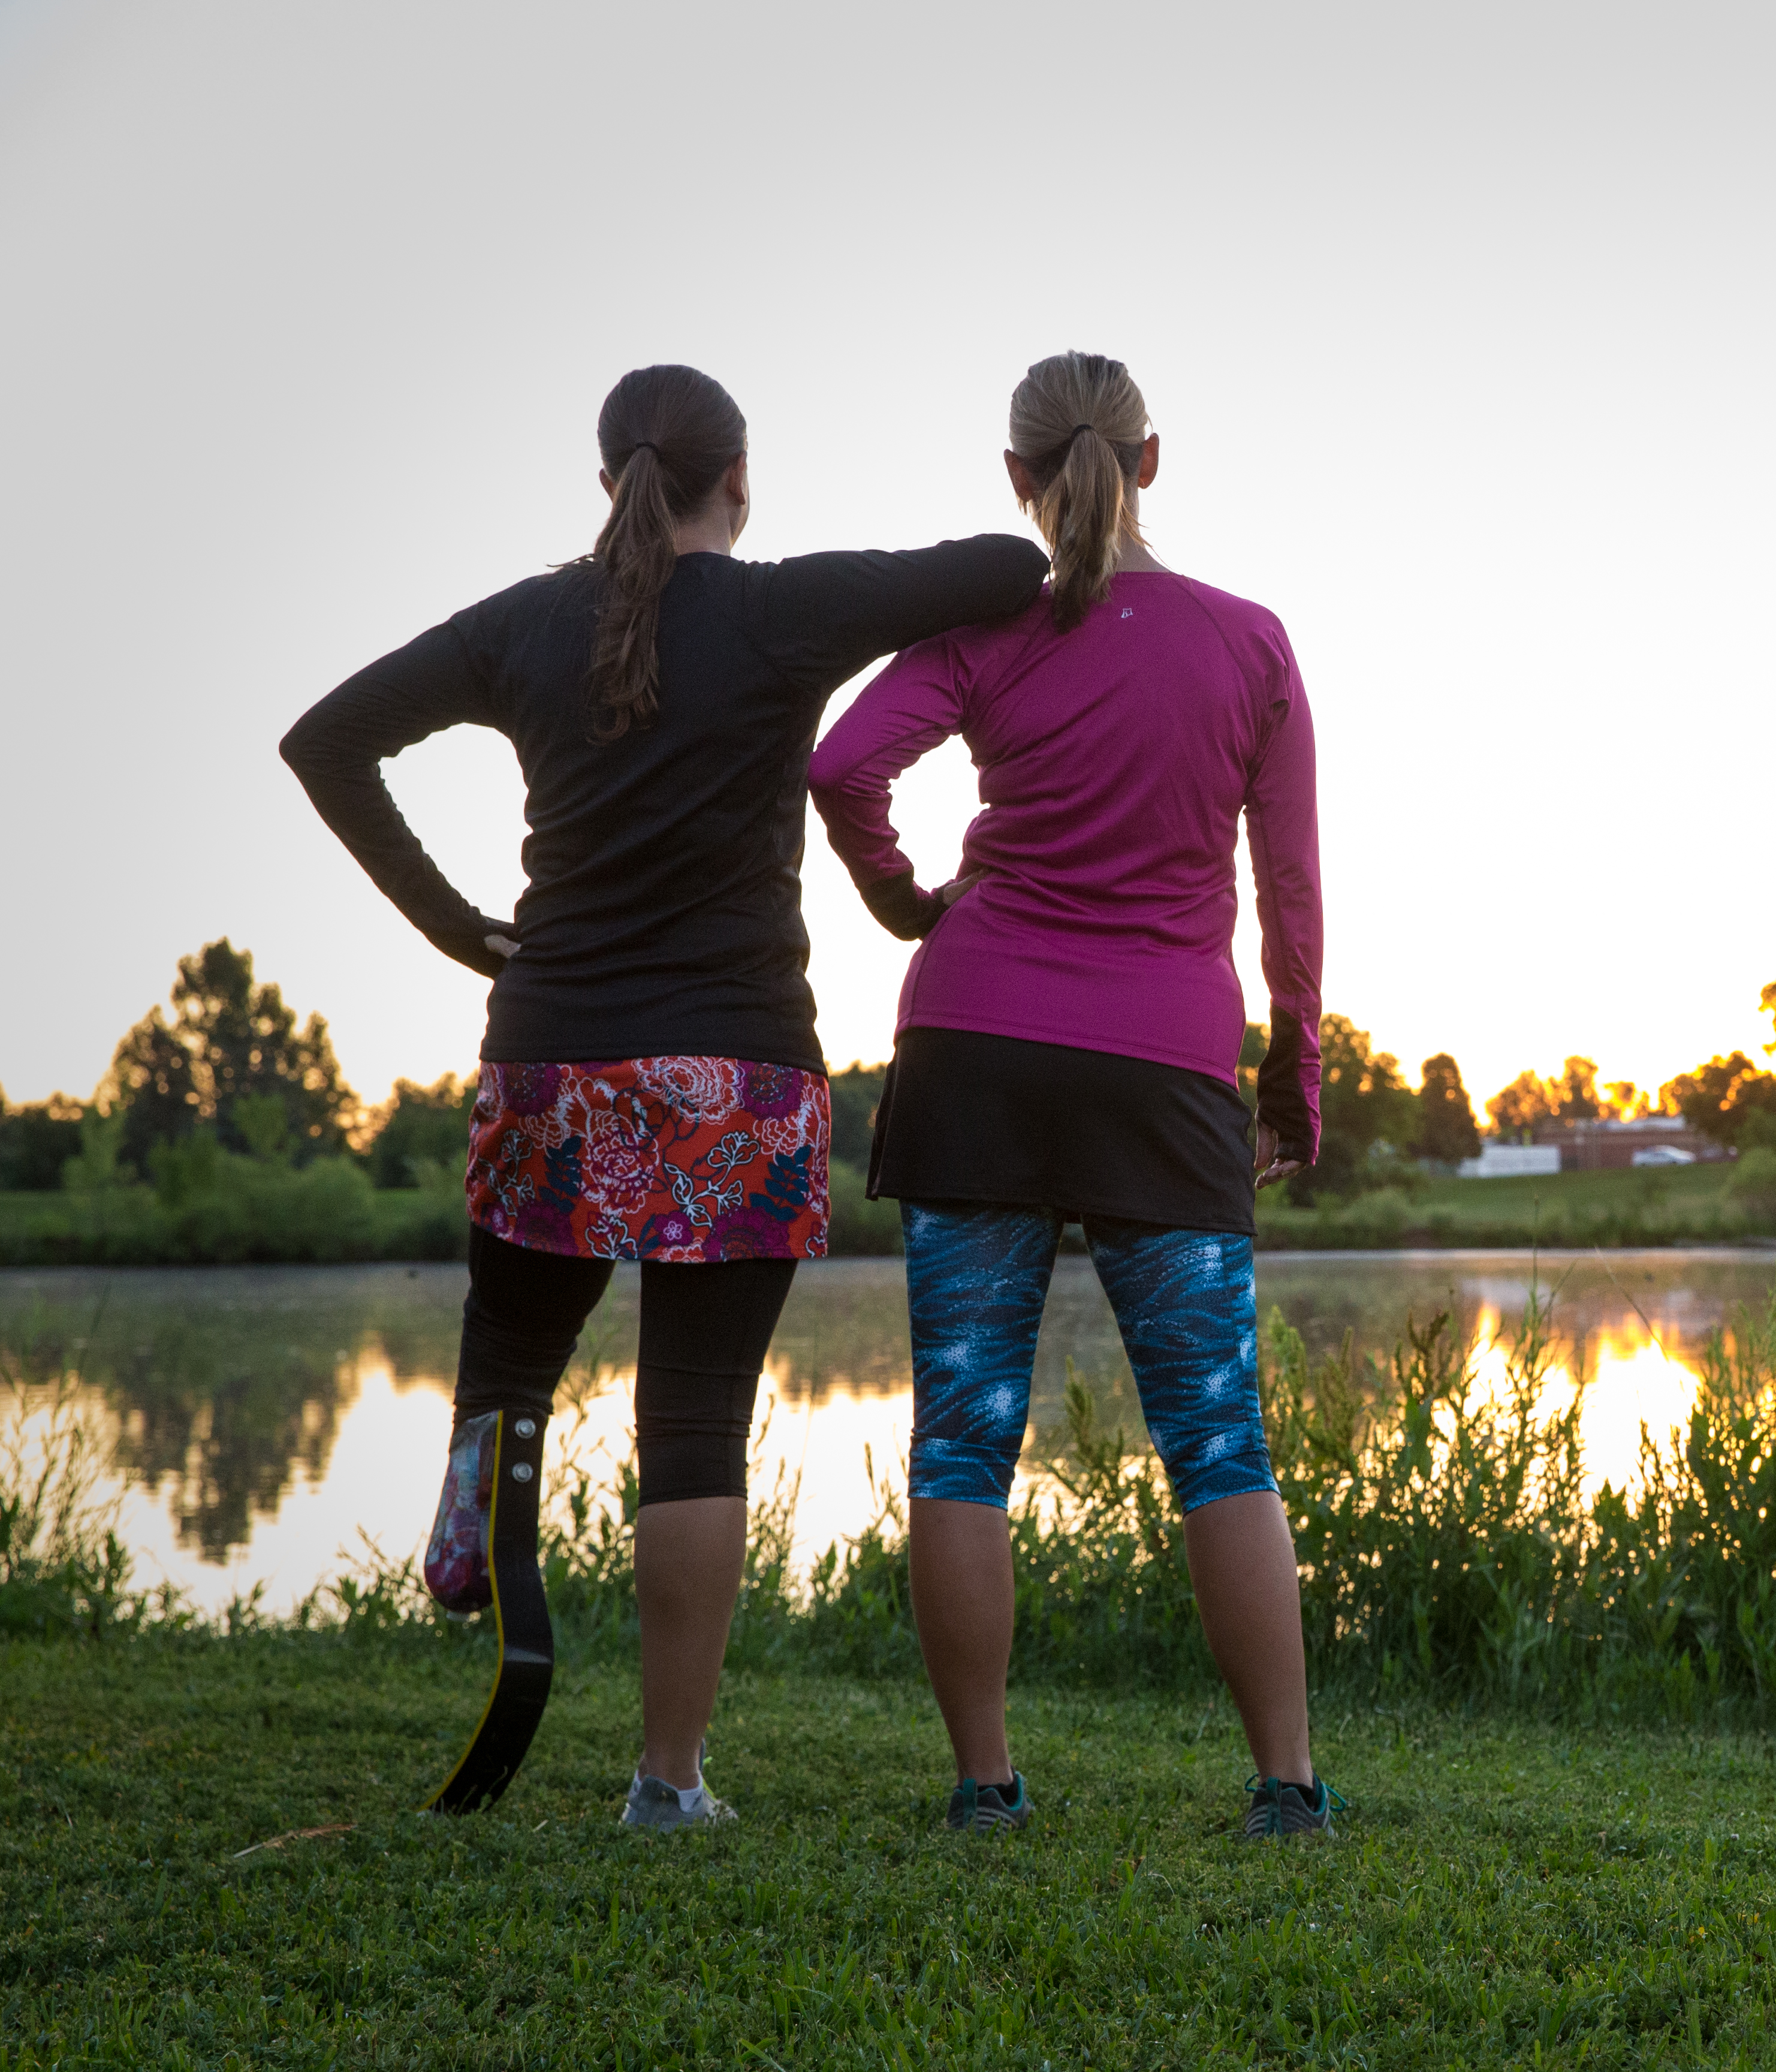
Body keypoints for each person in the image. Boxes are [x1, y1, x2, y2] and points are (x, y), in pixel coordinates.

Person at [282, 365, 1048, 1828]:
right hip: (733, 1078)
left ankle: (475, 1555)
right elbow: (1004, 567)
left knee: (509, 1367)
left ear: (607, 478)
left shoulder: (521, 622)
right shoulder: (777, 610)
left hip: (552, 1058)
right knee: (693, 1424)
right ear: (737, 479)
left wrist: (459, 929)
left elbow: (326, 741)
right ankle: (666, 1778)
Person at [807, 350, 1331, 1840]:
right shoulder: (1250, 643)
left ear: (1018, 483)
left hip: (976, 1050)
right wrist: (1290, 1076)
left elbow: (843, 765)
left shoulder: (988, 631)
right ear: (1150, 461)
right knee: (1220, 1438)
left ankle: (987, 1789)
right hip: (1166, 1071)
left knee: (964, 1438)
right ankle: (1287, 1789)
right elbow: (1287, 889)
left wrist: (909, 900)